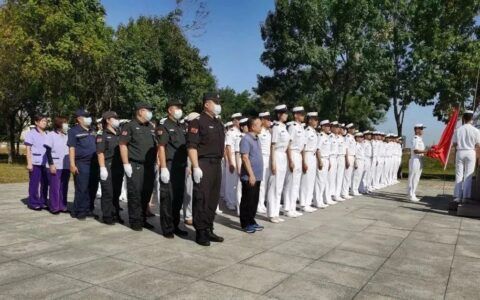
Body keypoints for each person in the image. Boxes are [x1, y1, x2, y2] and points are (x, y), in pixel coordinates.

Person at [187, 92, 225, 246]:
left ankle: (209, 228)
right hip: (204, 164)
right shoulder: (198, 122)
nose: (218, 105)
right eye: (215, 102)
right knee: (202, 198)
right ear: (206, 104)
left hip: (217, 164)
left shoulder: (218, 122)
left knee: (213, 199)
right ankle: (201, 231)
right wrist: (195, 166)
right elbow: (192, 146)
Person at [119, 103, 157, 231]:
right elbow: (123, 144)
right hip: (135, 165)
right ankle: (135, 221)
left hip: (149, 166)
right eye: (149, 110)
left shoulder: (150, 127)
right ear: (141, 111)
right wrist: (126, 164)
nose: (150, 113)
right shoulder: (129, 126)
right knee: (135, 193)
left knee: (146, 193)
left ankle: (142, 219)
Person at [156, 100, 189, 238]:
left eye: (181, 108)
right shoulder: (164, 126)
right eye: (177, 108)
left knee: (178, 198)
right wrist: (163, 167)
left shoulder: (181, 126)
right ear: (170, 110)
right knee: (168, 198)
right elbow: (161, 147)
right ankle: (167, 228)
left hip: (180, 166)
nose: (180, 110)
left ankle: (175, 225)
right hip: (169, 166)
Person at [68, 109, 99, 220]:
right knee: (82, 188)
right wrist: (72, 164)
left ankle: (89, 209)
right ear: (79, 118)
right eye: (85, 116)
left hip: (94, 163)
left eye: (88, 116)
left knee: (93, 187)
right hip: (82, 163)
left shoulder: (93, 130)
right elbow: (71, 148)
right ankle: (79, 210)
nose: (88, 118)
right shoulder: (73, 131)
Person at [96, 111, 124, 225]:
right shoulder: (102, 135)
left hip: (118, 166)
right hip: (107, 165)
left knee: (117, 192)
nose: (117, 120)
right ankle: (107, 215)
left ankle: (115, 213)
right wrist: (102, 167)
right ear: (107, 120)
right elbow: (100, 152)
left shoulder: (119, 133)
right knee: (108, 192)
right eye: (114, 118)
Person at [239, 117, 265, 233]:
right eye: (259, 124)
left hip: (257, 175)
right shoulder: (246, 139)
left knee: (254, 200)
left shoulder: (256, 138)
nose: (261, 126)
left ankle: (251, 220)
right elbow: (245, 158)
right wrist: (251, 175)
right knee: (247, 200)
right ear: (253, 127)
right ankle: (245, 223)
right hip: (250, 176)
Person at [267, 104, 290, 223]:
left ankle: (276, 212)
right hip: (277, 155)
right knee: (274, 186)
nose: (286, 115)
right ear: (279, 114)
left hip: (283, 156)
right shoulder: (276, 127)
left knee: (279, 186)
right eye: (284, 113)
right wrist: (273, 163)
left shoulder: (283, 127)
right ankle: (271, 213)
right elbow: (273, 145)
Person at [452, 110, 480, 203]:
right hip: (470, 152)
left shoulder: (458, 130)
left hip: (460, 151)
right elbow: (478, 145)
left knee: (459, 174)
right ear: (472, 118)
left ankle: (457, 196)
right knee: (468, 175)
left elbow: (455, 144)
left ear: (463, 118)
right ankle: (465, 197)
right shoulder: (476, 130)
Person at [44, 116, 70, 213]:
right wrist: (51, 164)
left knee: (64, 186)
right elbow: (48, 151)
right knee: (55, 187)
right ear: (59, 123)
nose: (66, 124)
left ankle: (63, 205)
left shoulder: (67, 135)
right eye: (64, 122)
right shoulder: (50, 135)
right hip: (55, 164)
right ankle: (54, 207)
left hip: (66, 165)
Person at [283, 106, 305, 217]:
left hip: (299, 155)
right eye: (301, 114)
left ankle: (292, 207)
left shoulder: (301, 127)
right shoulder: (293, 127)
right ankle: (287, 208)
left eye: (303, 114)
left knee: (296, 183)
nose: (303, 116)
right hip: (293, 154)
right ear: (295, 115)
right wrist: (290, 160)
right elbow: (288, 144)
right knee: (290, 182)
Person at [24, 114, 49, 210]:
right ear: (36, 122)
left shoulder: (47, 133)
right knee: (34, 183)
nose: (45, 123)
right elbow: (28, 149)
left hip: (45, 163)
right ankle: (33, 202)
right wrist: (29, 163)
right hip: (35, 162)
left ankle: (43, 201)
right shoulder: (31, 134)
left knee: (45, 183)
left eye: (46, 121)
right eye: (43, 121)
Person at [183, 112, 200, 226]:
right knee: (188, 191)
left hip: (198, 163)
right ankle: (188, 215)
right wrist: (189, 166)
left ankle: (196, 213)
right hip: (189, 163)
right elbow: (188, 151)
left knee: (197, 192)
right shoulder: (188, 133)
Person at [299, 112, 319, 212]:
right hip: (307, 155)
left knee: (311, 181)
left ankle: (307, 202)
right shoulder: (307, 131)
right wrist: (304, 161)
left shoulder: (314, 131)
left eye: (317, 119)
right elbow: (303, 147)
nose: (316, 121)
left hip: (312, 156)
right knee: (305, 181)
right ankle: (303, 203)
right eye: (315, 119)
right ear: (310, 120)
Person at [224, 113, 242, 211]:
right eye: (238, 119)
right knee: (231, 181)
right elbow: (228, 147)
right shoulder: (230, 132)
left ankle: (235, 200)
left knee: (237, 182)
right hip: (232, 157)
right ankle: (230, 201)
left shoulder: (240, 132)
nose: (239, 121)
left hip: (239, 157)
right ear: (234, 120)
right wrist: (230, 162)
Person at [314, 120, 333, 207]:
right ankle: (317, 201)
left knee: (324, 181)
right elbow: (318, 149)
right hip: (321, 159)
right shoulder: (320, 136)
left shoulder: (326, 136)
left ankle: (320, 200)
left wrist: (328, 161)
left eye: (329, 126)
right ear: (322, 127)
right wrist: (320, 161)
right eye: (327, 126)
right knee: (319, 181)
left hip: (326, 159)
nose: (329, 127)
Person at [407, 124, 427, 201]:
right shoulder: (416, 138)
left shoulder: (420, 139)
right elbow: (415, 150)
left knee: (416, 178)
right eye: (421, 128)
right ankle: (411, 194)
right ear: (417, 130)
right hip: (415, 159)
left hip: (419, 159)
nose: (422, 130)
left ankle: (412, 193)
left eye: (422, 128)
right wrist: (426, 151)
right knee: (413, 177)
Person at [257, 112, 272, 214]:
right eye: (267, 119)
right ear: (262, 119)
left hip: (267, 158)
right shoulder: (259, 132)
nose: (269, 121)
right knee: (260, 183)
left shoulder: (267, 132)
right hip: (261, 157)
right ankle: (258, 204)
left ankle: (262, 203)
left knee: (265, 183)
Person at [342, 123, 356, 199]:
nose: (354, 129)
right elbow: (346, 149)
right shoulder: (347, 137)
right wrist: (347, 159)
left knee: (349, 176)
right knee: (346, 176)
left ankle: (346, 191)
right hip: (349, 156)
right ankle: (344, 193)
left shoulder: (352, 137)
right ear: (349, 129)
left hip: (352, 156)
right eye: (352, 128)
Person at [334, 123, 347, 201]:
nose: (342, 130)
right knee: (336, 177)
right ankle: (335, 194)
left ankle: (337, 194)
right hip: (337, 157)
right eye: (341, 128)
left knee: (340, 177)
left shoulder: (342, 138)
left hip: (342, 157)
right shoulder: (336, 138)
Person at [328, 121, 339, 203]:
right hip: (330, 157)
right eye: (336, 127)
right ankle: (327, 197)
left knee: (333, 178)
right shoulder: (330, 137)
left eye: (338, 127)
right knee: (329, 179)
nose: (337, 129)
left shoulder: (336, 137)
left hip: (335, 158)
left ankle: (331, 195)